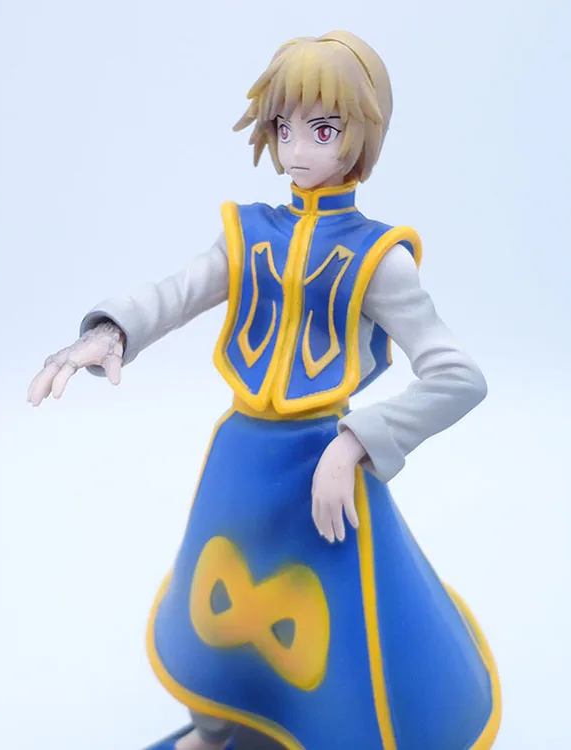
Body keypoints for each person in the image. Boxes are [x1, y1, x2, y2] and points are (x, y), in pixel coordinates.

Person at [28, 30, 501, 750]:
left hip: (322, 475)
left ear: (360, 135)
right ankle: (213, 728)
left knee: (334, 634)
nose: (297, 148)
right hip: (242, 461)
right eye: (284, 127)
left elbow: (459, 376)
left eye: (323, 129)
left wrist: (357, 442)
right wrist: (113, 331)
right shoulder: (249, 233)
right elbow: (179, 291)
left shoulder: (379, 258)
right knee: (212, 610)